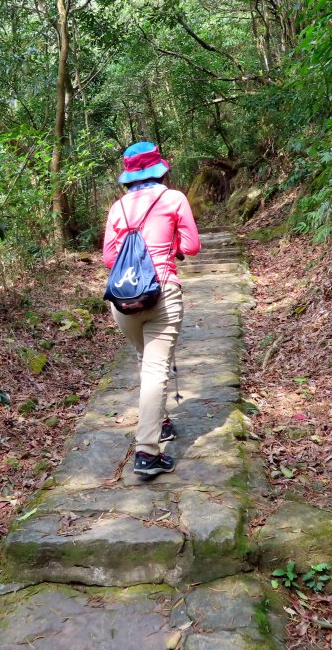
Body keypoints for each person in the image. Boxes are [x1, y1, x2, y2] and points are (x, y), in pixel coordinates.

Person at [102, 142, 201, 476]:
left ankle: (160, 421)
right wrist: (169, 247)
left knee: (148, 362)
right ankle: (147, 452)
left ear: (129, 174)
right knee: (156, 368)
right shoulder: (173, 199)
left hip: (123, 301)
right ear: (160, 168)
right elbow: (192, 246)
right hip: (162, 293)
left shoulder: (118, 208)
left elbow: (108, 259)